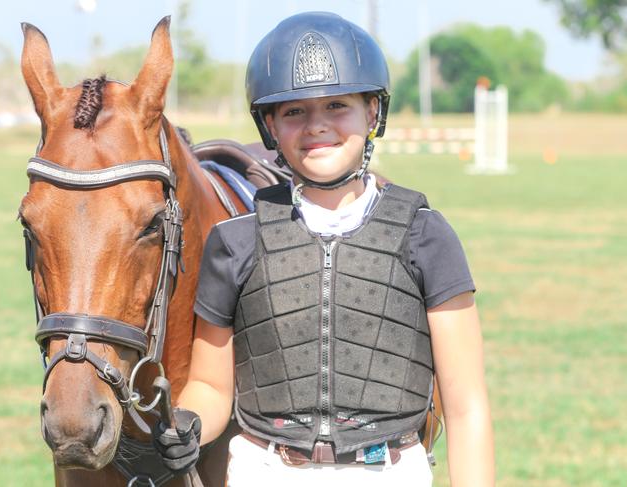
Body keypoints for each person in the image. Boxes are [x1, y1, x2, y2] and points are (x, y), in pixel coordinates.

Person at [153, 11, 494, 487]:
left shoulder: (426, 236)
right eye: (294, 111)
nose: (317, 125)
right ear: (270, 124)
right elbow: (211, 386)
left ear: (372, 112)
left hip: (389, 472)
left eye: (337, 106)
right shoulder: (234, 242)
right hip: (265, 471)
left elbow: (465, 406)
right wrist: (186, 423)